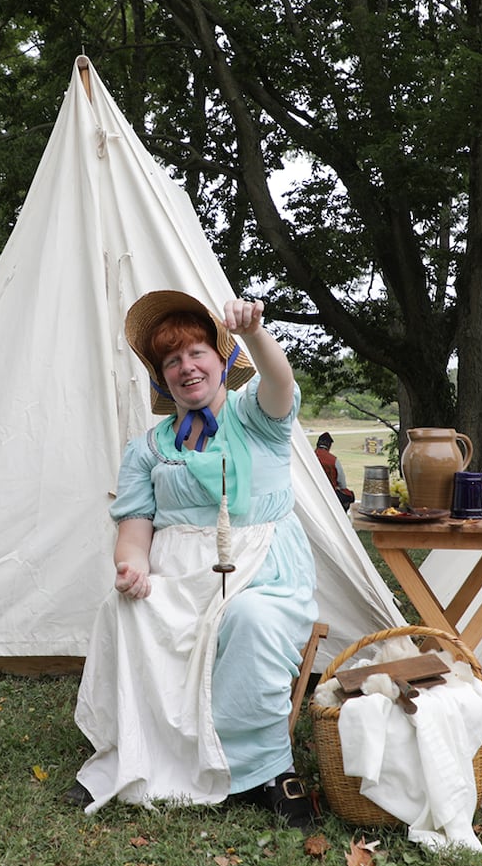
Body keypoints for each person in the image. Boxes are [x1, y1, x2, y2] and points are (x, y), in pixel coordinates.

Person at [66, 290, 318, 827]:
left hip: (261, 573)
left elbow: (281, 385)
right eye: (171, 360)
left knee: (250, 620)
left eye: (197, 352)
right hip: (179, 579)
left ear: (222, 359)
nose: (186, 367)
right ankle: (137, 754)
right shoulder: (147, 449)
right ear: (161, 379)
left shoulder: (256, 418)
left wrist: (255, 332)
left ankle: (268, 771)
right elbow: (135, 529)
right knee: (122, 610)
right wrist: (131, 566)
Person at [314, 432, 354, 511]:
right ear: (329, 446)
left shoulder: (309, 457)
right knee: (350, 496)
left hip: (311, 491)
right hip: (330, 493)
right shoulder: (333, 460)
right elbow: (342, 484)